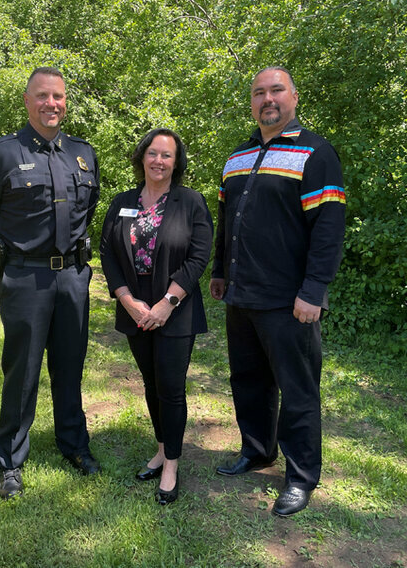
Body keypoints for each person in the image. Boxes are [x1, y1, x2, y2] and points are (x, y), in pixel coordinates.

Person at [210, 66, 346, 517]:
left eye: (276, 91)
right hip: (242, 294)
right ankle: (257, 451)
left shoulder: (315, 153)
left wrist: (315, 291)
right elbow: (227, 220)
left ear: (294, 97)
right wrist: (218, 272)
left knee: (298, 389)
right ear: (252, 102)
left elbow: (328, 229)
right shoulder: (238, 154)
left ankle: (301, 476)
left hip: (290, 301)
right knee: (249, 381)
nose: (267, 99)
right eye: (259, 93)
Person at [0, 67, 100, 499]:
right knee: (22, 369)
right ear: (27, 101)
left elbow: (88, 209)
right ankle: (9, 459)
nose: (51, 104)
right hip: (25, 276)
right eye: (42, 96)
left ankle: (73, 444)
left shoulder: (83, 154)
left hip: (74, 278)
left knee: (70, 364)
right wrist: (13, 256)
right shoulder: (2, 154)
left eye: (58, 96)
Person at [99, 128, 212, 505]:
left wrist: (168, 302)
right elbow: (108, 254)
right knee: (149, 382)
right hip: (135, 308)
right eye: (152, 153)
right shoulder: (122, 202)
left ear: (176, 162)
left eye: (167, 155)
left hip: (174, 310)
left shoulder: (191, 202)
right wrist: (128, 301)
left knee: (170, 387)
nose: (158, 160)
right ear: (141, 156)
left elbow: (198, 257)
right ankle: (162, 448)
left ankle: (172, 466)